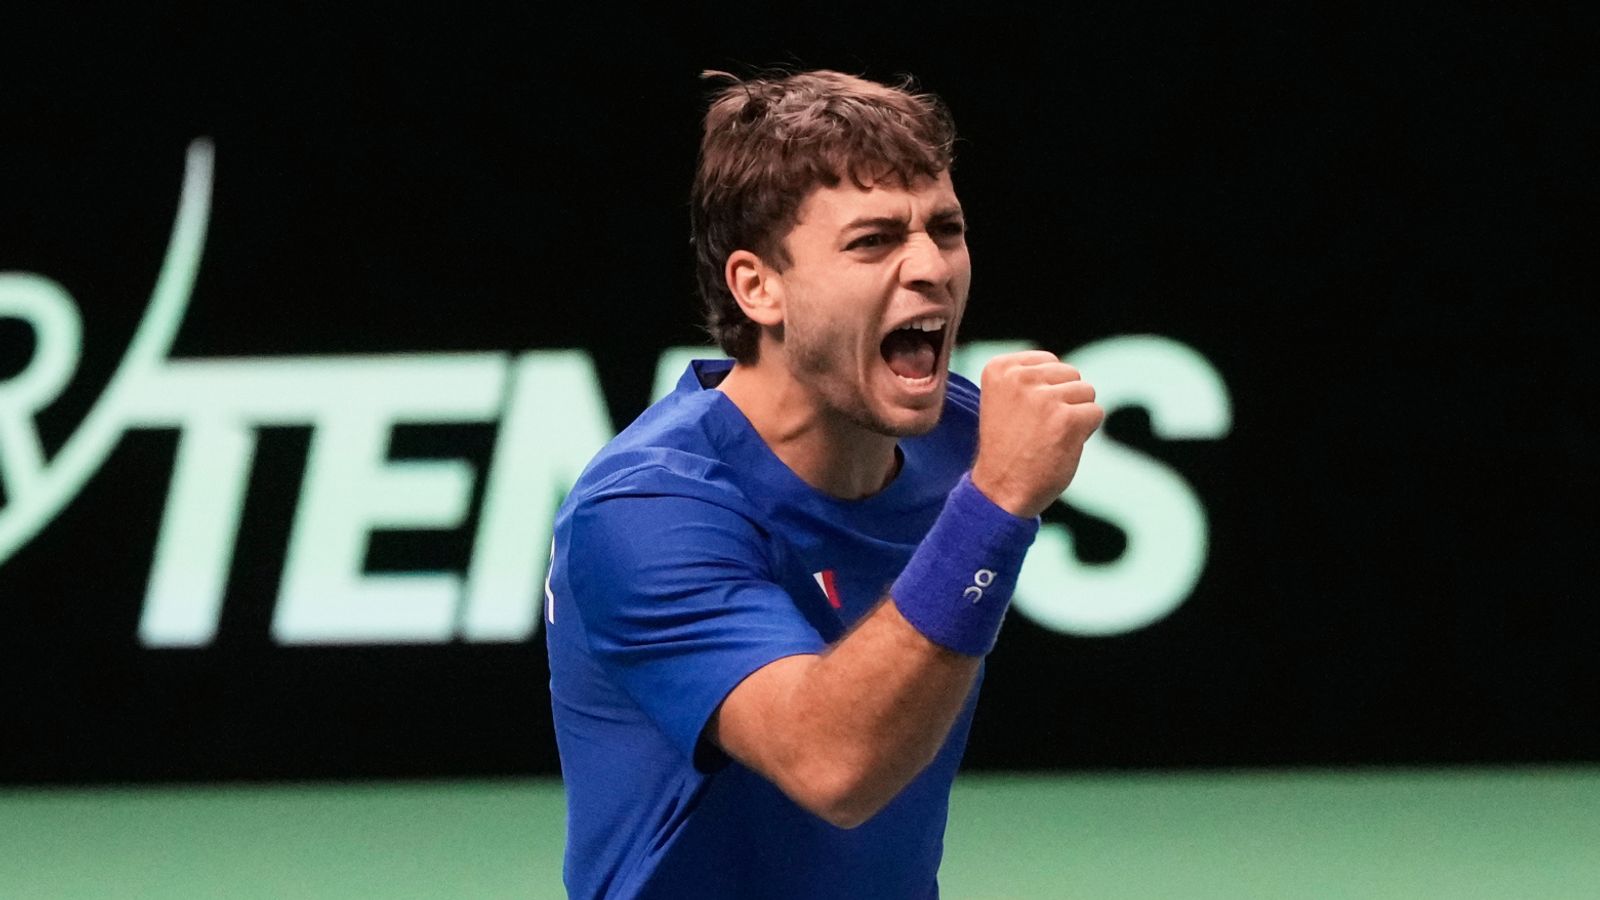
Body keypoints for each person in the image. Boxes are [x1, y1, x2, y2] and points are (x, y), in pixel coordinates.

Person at [545, 68, 1103, 899]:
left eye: (945, 229)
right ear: (757, 287)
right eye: (873, 241)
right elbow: (832, 765)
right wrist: (993, 507)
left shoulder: (963, 439)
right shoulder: (644, 512)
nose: (931, 267)